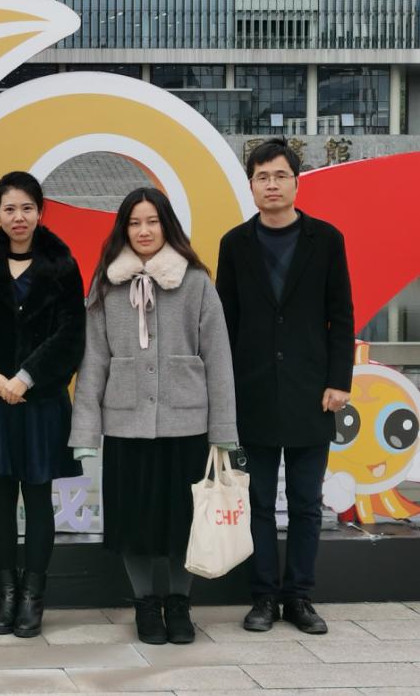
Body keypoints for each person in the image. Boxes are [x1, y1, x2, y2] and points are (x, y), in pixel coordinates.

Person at [70, 187, 237, 645]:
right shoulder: (106, 283)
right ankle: (145, 604)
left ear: (167, 226)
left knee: (184, 522)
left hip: (187, 424)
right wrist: (86, 431)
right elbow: (93, 359)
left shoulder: (196, 281)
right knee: (134, 522)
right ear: (123, 229)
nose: (143, 231)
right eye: (134, 223)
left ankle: (179, 603)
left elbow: (219, 358)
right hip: (126, 424)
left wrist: (224, 429)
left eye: (152, 221)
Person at [216, 137, 354, 636]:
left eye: (280, 176)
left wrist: (339, 380)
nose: (271, 185)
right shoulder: (235, 244)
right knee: (255, 503)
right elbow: (224, 322)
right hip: (251, 392)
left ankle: (298, 597)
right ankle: (262, 597)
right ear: (251, 185)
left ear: (296, 182)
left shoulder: (326, 239)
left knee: (304, 503)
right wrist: (224, 390)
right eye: (262, 177)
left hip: (311, 392)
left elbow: (341, 315)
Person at [0, 171, 85, 638]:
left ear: (40, 211)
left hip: (41, 399)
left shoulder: (62, 263)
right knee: (1, 497)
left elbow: (72, 334)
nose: (18, 217)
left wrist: (26, 377)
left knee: (39, 497)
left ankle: (33, 595)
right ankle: (6, 594)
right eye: (9, 209)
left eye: (27, 208)